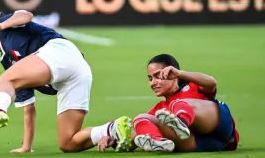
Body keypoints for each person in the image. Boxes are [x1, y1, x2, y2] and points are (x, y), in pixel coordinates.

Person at [0, 10, 132, 153]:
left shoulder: (6, 26)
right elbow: (28, 107)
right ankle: (113, 128)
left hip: (60, 52)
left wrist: (1, 25)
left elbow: (26, 14)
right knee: (68, 143)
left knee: (1, 82)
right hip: (75, 76)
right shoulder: (9, 63)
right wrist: (26, 146)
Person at [98, 54, 239, 153]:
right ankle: (157, 142)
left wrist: (180, 73)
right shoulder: (159, 109)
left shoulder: (193, 86)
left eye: (157, 76)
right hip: (200, 143)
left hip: (220, 126)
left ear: (172, 74)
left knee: (177, 104)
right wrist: (115, 141)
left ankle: (181, 122)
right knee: (141, 119)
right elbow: (138, 136)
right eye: (150, 78)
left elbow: (212, 82)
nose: (153, 83)